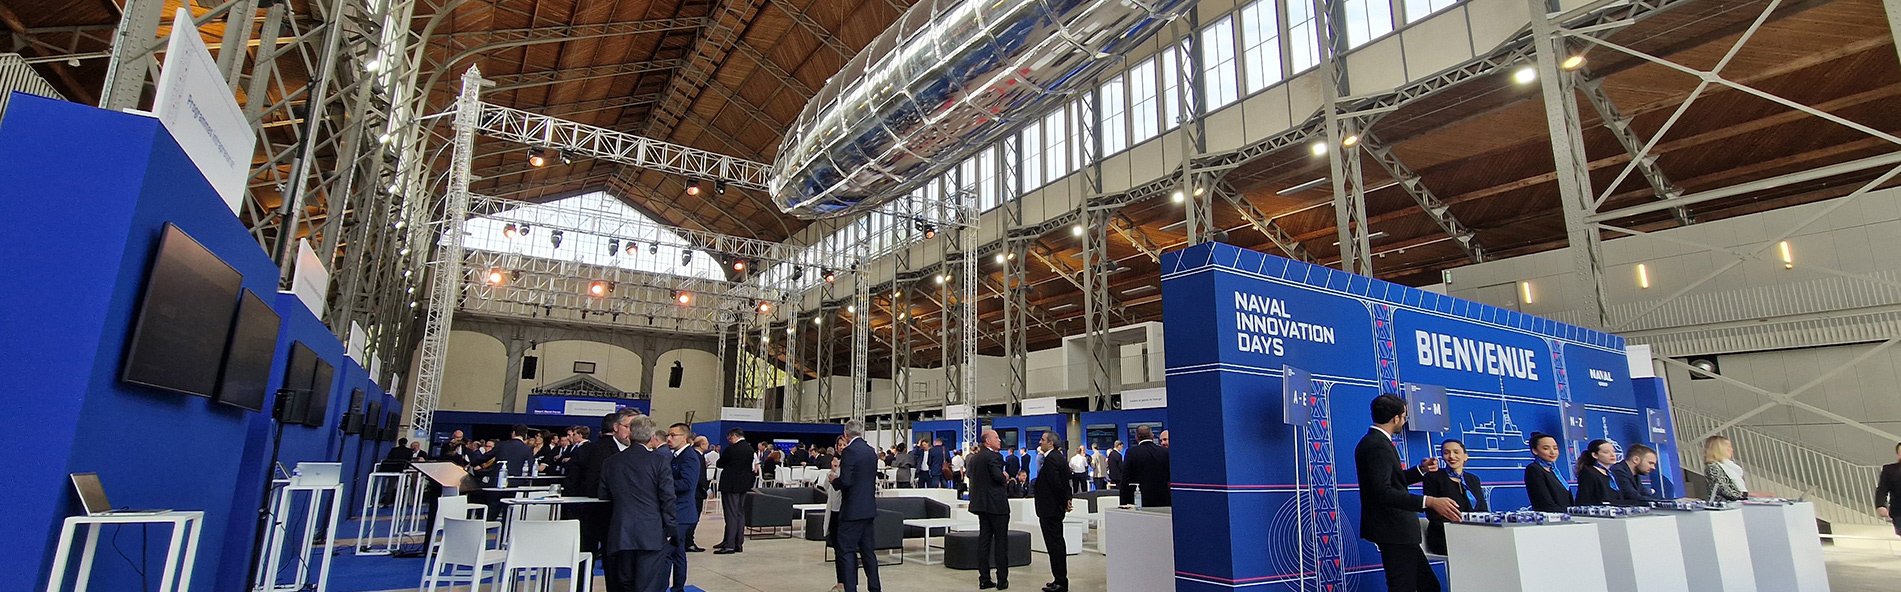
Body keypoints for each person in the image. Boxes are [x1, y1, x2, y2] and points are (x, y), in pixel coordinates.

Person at [1355, 394, 1461, 592]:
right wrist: (1429, 501)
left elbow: (1391, 480)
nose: (1404, 421)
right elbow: (1382, 492)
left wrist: (1420, 470)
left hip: (1400, 531)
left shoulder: (1378, 442)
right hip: (1393, 530)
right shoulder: (1376, 445)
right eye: (1404, 417)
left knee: (1428, 586)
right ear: (1396, 418)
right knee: (1403, 586)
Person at [599, 413, 675, 592]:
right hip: (651, 531)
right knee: (647, 583)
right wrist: (670, 527)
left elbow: (603, 494)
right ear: (652, 437)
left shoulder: (611, 462)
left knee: (624, 582)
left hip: (621, 530)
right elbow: (667, 497)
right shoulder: (659, 461)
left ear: (630, 434)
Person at [571, 412, 632, 567]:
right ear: (616, 427)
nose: (632, 432)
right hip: (595, 514)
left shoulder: (635, 452)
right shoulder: (597, 450)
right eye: (628, 426)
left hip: (619, 519)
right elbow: (585, 483)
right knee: (586, 563)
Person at [831, 421, 882, 592]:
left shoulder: (850, 451)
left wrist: (834, 481)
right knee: (868, 553)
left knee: (846, 551)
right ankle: (875, 588)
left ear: (846, 434)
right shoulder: (871, 451)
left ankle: (850, 588)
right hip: (868, 509)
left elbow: (846, 481)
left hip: (852, 510)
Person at [1420, 439, 1487, 555]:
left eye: (1456, 452)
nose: (1451, 456)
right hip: (1444, 535)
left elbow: (1482, 509)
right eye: (1446, 453)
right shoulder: (1433, 477)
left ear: (1465, 456)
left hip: (1473, 534)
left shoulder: (1473, 479)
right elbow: (1432, 515)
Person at [967, 429, 1010, 590]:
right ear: (987, 441)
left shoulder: (975, 458)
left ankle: (984, 578)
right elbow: (998, 477)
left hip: (981, 505)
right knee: (1001, 542)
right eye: (996, 438)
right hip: (996, 505)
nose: (999, 440)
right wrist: (1004, 477)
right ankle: (1002, 579)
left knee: (984, 540)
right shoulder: (993, 457)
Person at [1033, 432, 1073, 592]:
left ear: (1050, 443)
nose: (1040, 442)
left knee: (1055, 546)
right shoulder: (1057, 458)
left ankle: (1060, 582)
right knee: (1055, 545)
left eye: (1042, 440)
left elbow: (1057, 484)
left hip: (1050, 510)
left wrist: (1064, 501)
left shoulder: (1051, 459)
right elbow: (1065, 482)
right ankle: (1058, 579)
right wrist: (1067, 499)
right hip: (1052, 508)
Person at [665, 423, 701, 592]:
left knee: (668, 552)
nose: (669, 439)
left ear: (684, 438)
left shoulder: (689, 457)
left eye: (673, 435)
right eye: (668, 435)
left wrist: (663, 484)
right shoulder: (677, 456)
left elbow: (687, 483)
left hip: (682, 512)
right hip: (677, 511)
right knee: (677, 553)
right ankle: (678, 587)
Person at [815, 438, 849, 592]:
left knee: (844, 550)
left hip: (844, 512)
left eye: (844, 444)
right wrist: (833, 470)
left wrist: (837, 474)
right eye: (839, 445)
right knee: (837, 549)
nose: (841, 447)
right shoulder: (833, 466)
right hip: (833, 512)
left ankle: (847, 583)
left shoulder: (849, 465)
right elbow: (825, 486)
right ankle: (840, 582)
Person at [714, 428, 754, 553]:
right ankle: (737, 542)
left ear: (734, 436)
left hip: (731, 485)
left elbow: (720, 463)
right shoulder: (749, 449)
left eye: (730, 438)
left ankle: (729, 544)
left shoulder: (732, 449)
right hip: (744, 484)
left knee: (730, 514)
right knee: (739, 513)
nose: (729, 440)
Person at [1117, 425, 1170, 507]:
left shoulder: (1132, 452)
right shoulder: (1165, 452)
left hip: (1140, 499)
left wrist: (1123, 502)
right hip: (1162, 498)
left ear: (1136, 438)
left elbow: (1126, 477)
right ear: (1152, 436)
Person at [1524, 432, 1572, 512]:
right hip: (1552, 516)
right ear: (1535, 450)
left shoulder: (1554, 470)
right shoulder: (1534, 469)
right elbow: (1544, 503)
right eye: (1546, 448)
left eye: (1555, 448)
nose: (1552, 452)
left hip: (1565, 515)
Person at [1574, 439, 1631, 506]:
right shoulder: (1588, 473)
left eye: (1613, 451)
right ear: (1595, 455)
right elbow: (1584, 499)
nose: (1612, 455)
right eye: (1606, 452)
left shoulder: (1611, 474)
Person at [1703, 435, 1749, 502]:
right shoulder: (1713, 467)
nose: (1732, 449)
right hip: (1724, 505)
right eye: (1729, 447)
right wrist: (1747, 495)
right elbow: (1725, 490)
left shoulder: (1729, 466)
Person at [1875, 442, 1901, 535]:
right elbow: (1882, 490)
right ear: (1898, 455)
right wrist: (1881, 506)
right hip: (1899, 512)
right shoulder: (1889, 470)